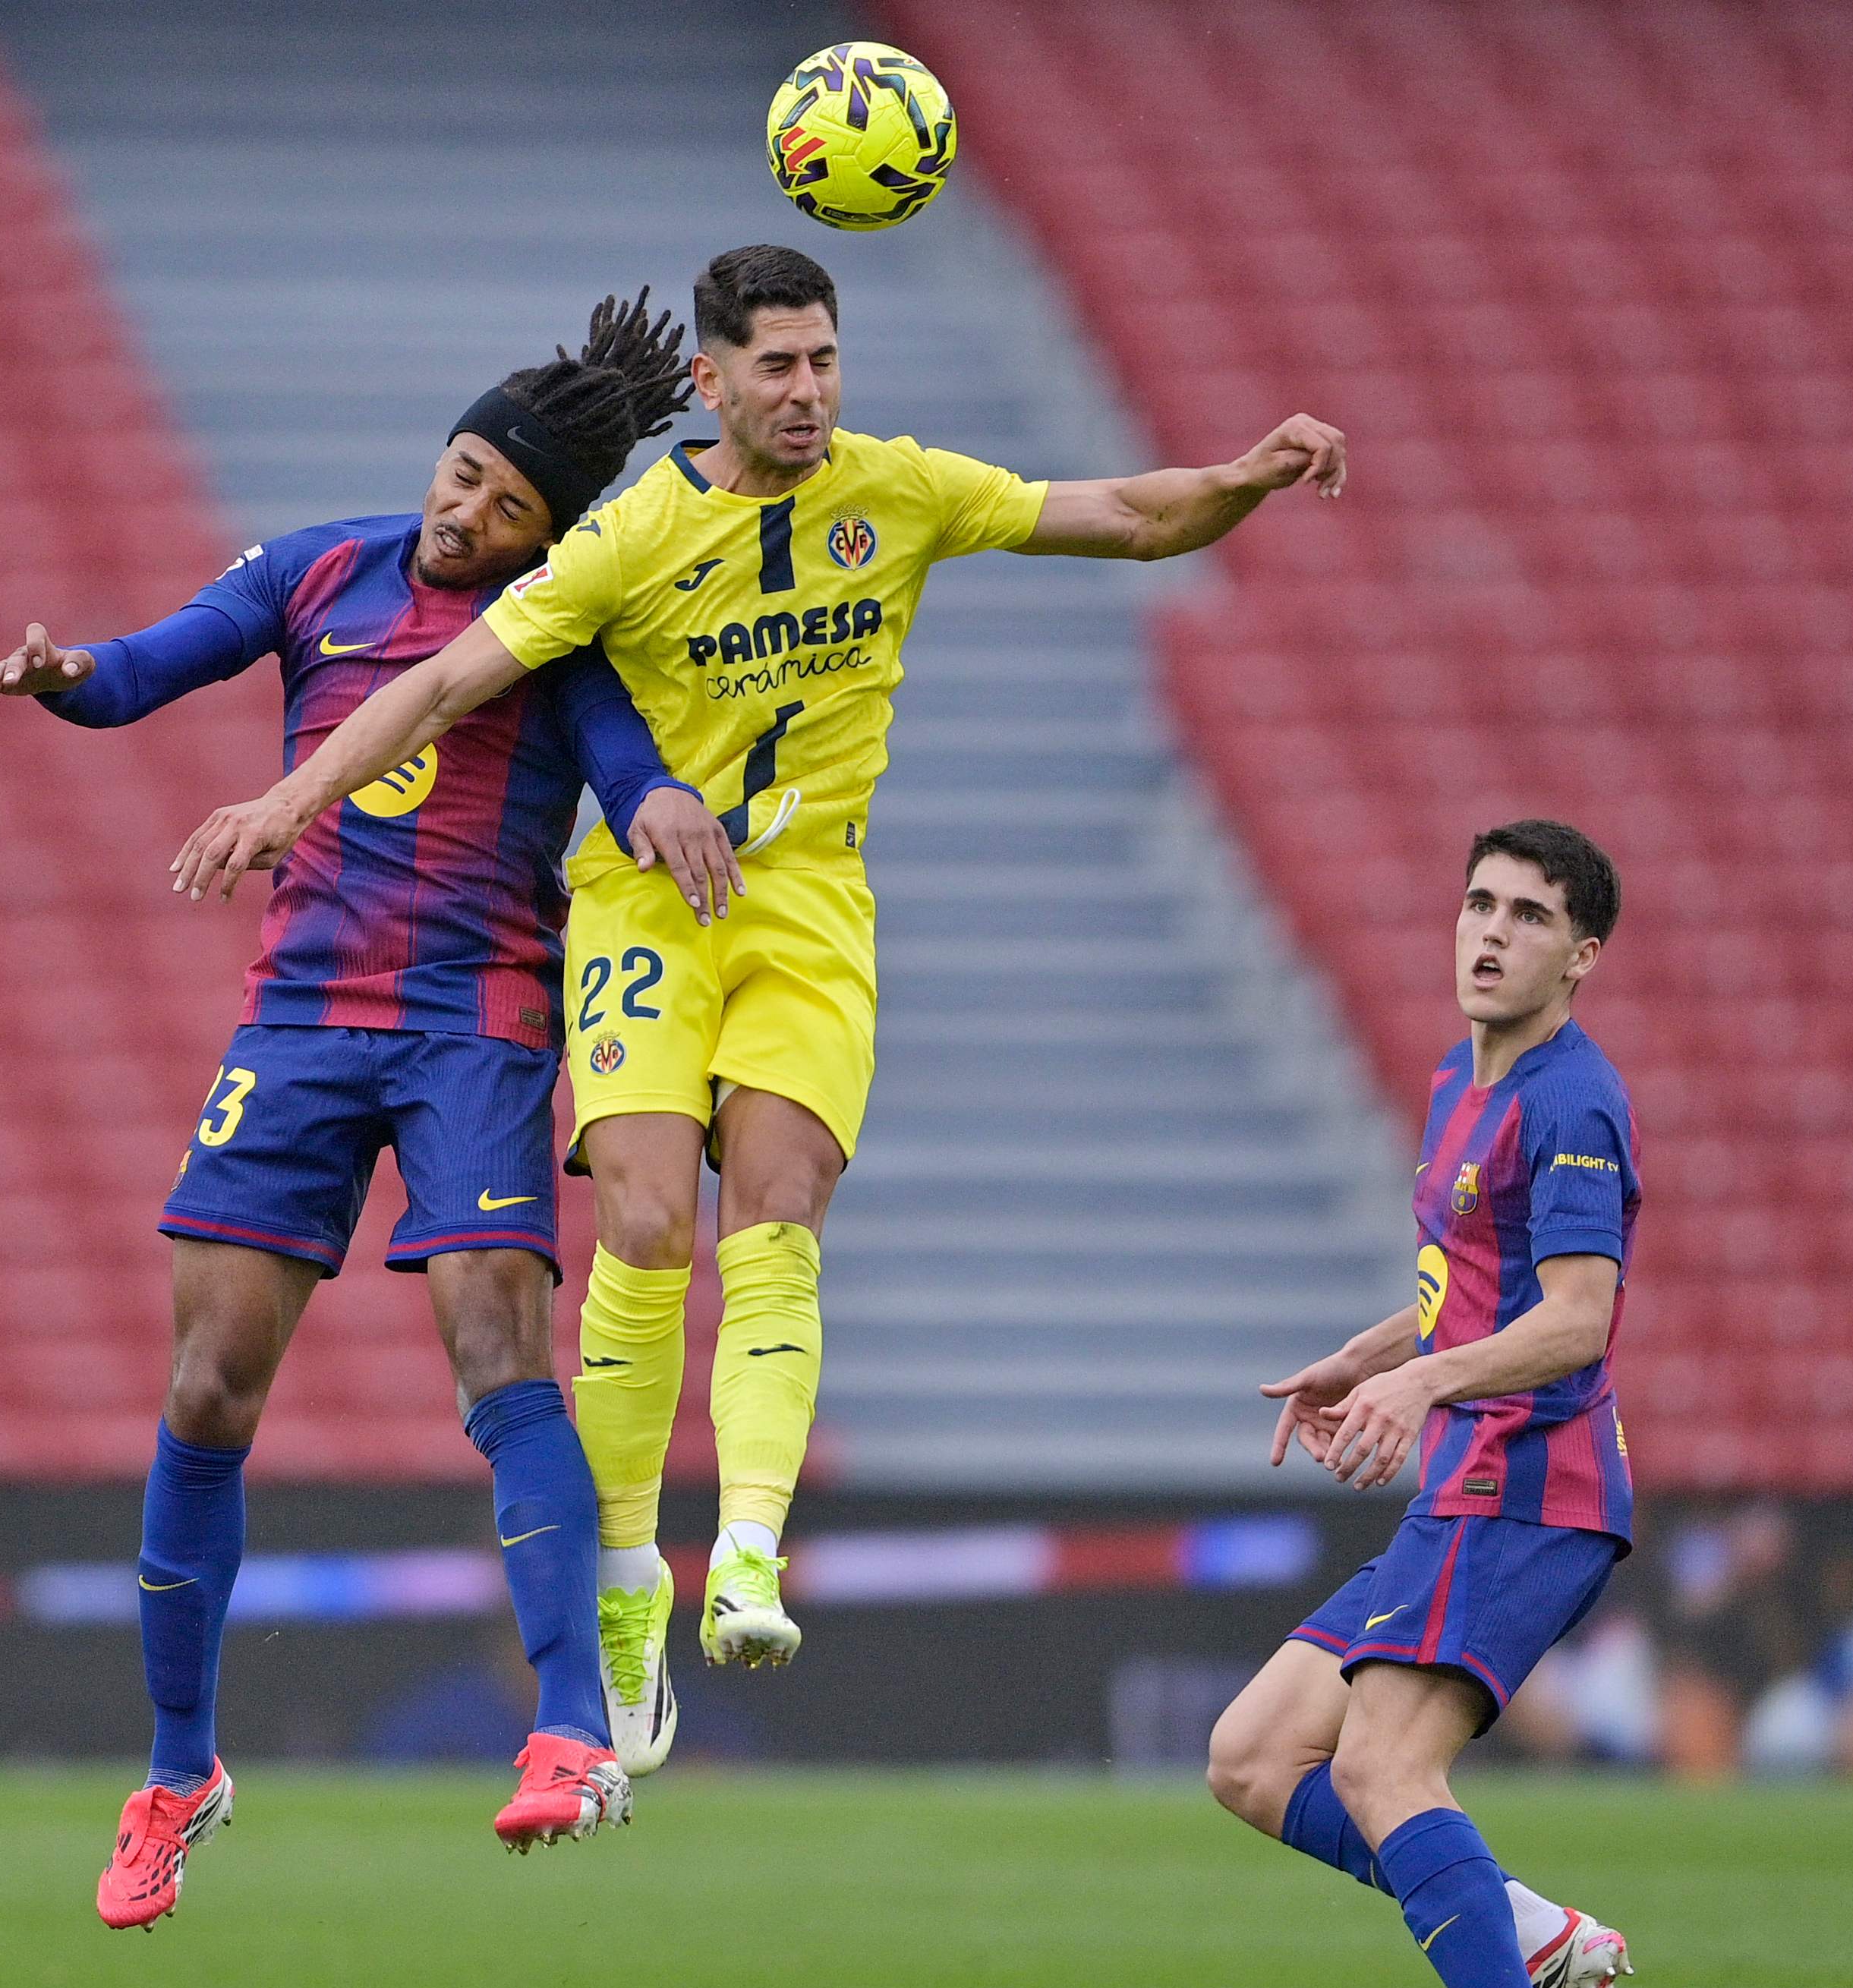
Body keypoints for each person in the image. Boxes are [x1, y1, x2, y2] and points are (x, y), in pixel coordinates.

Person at [167, 244, 1346, 1774]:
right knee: (647, 1223)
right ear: (712, 382)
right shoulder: (629, 537)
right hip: (646, 909)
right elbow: (436, 690)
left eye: (825, 359)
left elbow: (1124, 515)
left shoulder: (900, 489)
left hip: (807, 904)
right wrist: (290, 800)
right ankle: (623, 1587)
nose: (808, 392)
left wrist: (1247, 475)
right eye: (778, 367)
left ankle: (748, 1556)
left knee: (776, 1206)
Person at [0, 293, 739, 1925]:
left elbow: (618, 758)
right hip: (302, 1025)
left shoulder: (552, 631)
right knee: (206, 1385)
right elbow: (137, 674)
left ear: (551, 534)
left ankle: (564, 1728)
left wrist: (664, 795)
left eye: (507, 506)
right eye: (463, 475)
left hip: (475, 1022)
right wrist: (63, 676)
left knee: (491, 1346)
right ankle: (178, 1771)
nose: (466, 513)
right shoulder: (314, 571)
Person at [1202, 820, 1640, 1988]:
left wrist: (1427, 1386)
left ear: (1582, 956)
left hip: (1526, 1483)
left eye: (1529, 915)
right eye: (1478, 904)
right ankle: (1534, 1935)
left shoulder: (1572, 1099)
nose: (1493, 932)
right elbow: (1469, 1284)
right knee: (1253, 1755)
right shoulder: (1464, 1079)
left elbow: (1576, 1317)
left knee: (1389, 1764)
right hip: (1462, 1483)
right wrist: (1371, 1353)